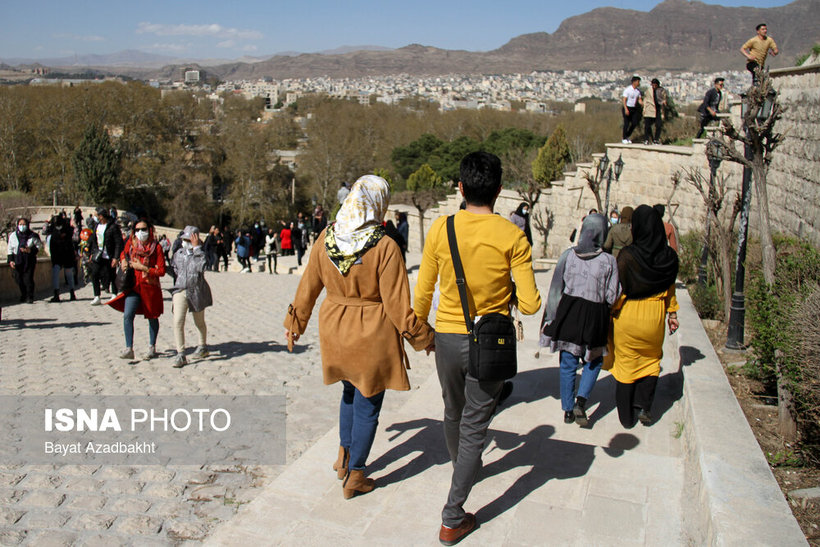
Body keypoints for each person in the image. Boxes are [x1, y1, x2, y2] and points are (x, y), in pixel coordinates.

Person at [413, 152, 541, 545]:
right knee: (474, 426)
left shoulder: (440, 228)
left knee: (453, 412)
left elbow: (423, 294)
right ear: (499, 190)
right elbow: (533, 303)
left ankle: (462, 467)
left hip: (448, 339)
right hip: (491, 341)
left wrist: (418, 329)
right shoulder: (512, 236)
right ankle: (453, 516)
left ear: (460, 187)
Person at [283, 175, 434, 500]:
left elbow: (308, 286)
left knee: (349, 393)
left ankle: (343, 456)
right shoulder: (385, 246)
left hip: (335, 329)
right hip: (371, 333)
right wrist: (424, 338)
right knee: (368, 402)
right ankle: (356, 474)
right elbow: (398, 307)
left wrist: (295, 323)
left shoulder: (326, 237)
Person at [541, 213, 618, 426]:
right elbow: (612, 295)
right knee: (594, 359)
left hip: (569, 313)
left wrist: (551, 317)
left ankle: (567, 410)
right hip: (595, 316)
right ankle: (581, 401)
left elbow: (556, 288)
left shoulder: (568, 255)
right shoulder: (609, 261)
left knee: (568, 361)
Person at [608, 205, 679, 428]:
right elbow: (670, 290)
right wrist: (672, 313)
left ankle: (626, 418)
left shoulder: (629, 256)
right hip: (654, 319)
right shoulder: (669, 257)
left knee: (626, 364)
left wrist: (612, 311)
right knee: (651, 362)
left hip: (628, 317)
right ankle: (643, 407)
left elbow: (618, 289)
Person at [108, 218, 166, 362]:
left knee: (152, 317)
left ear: (150, 230)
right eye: (138, 229)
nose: (141, 232)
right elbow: (124, 253)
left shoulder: (156, 248)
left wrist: (144, 268)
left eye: (144, 229)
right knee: (128, 315)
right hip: (133, 286)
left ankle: (152, 346)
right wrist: (122, 260)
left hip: (150, 287)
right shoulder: (132, 243)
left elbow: (162, 271)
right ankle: (129, 348)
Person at [170, 226, 212, 368]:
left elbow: (203, 266)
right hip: (180, 290)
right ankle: (181, 353)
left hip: (197, 291)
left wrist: (197, 249)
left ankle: (202, 346)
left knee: (199, 321)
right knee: (178, 321)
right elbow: (174, 268)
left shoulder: (200, 253)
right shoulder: (178, 254)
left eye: (190, 239)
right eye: (185, 239)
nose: (187, 242)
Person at [90, 208, 123, 306]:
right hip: (99, 255)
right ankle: (97, 296)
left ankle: (114, 294)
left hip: (109, 255)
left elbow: (118, 243)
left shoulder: (113, 227)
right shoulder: (96, 226)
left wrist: (116, 257)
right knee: (94, 274)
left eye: (98, 216)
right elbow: (94, 240)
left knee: (112, 275)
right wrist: (93, 252)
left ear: (101, 216)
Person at [7, 217, 43, 303]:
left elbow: (39, 246)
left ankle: (29, 296)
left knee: (28, 278)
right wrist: (11, 260)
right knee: (18, 278)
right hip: (17, 259)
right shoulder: (13, 236)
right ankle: (23, 294)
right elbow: (10, 248)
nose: (22, 226)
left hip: (29, 259)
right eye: (20, 224)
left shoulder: (33, 236)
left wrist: (30, 250)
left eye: (24, 224)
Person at [47, 215, 78, 302]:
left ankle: (71, 293)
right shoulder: (55, 229)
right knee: (59, 274)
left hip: (66, 254)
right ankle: (59, 294)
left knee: (68, 274)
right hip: (59, 255)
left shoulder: (67, 229)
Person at [642, 79, 667, 145]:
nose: (654, 86)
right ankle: (646, 139)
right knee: (647, 125)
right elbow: (646, 99)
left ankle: (656, 139)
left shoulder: (662, 90)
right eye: (653, 84)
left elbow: (664, 99)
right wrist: (644, 109)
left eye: (655, 85)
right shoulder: (649, 90)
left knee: (658, 125)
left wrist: (663, 103)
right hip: (649, 109)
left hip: (658, 109)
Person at [621, 76, 643, 144]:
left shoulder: (637, 91)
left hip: (634, 108)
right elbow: (624, 100)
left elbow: (639, 99)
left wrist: (642, 104)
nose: (639, 83)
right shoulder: (627, 90)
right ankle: (624, 138)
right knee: (626, 124)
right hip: (627, 107)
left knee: (634, 123)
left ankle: (627, 135)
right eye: (638, 81)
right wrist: (626, 109)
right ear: (634, 82)